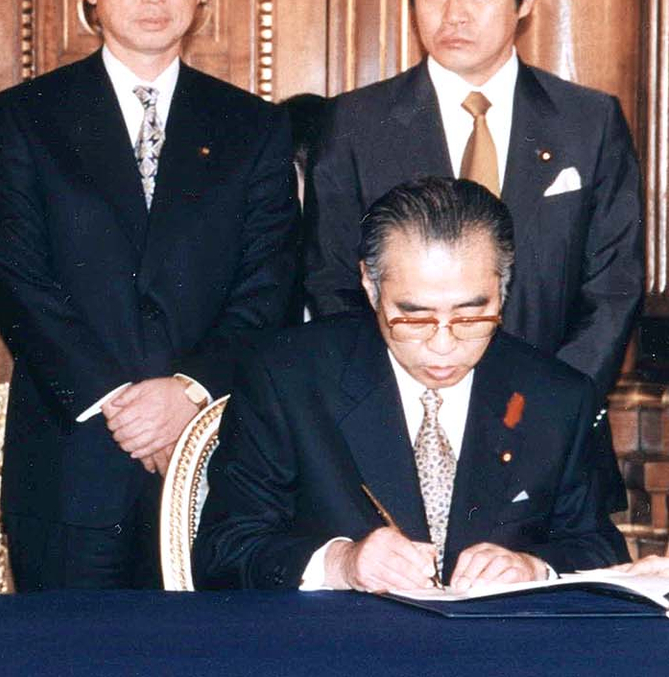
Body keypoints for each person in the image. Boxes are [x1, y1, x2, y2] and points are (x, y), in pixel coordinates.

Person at [0, 0, 297, 590]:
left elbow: (270, 285)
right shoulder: (25, 118)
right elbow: (19, 281)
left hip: (211, 461)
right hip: (71, 465)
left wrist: (186, 393)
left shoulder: (253, 129)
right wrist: (124, 407)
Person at [194, 178, 628, 592]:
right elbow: (222, 550)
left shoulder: (557, 396)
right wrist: (341, 563)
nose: (443, 345)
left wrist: (533, 567)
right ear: (370, 284)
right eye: (414, 317)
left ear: (503, 287)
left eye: (471, 315)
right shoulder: (287, 377)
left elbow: (599, 546)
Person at [305, 0, 642, 405]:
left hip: (554, 418)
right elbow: (333, 283)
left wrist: (554, 410)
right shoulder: (355, 124)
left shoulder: (588, 124)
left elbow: (612, 289)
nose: (453, 15)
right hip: (400, 414)